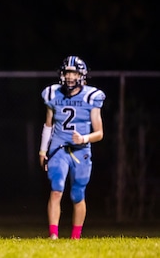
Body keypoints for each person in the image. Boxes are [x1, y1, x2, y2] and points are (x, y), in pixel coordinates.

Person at [38, 55, 106, 240]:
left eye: (74, 73)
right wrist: (43, 150)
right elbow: (48, 125)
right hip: (59, 148)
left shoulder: (91, 97)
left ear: (81, 75)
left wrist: (84, 138)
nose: (69, 76)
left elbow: (99, 133)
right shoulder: (53, 94)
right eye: (67, 72)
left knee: (77, 194)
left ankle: (76, 236)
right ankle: (53, 235)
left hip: (81, 150)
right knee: (56, 189)